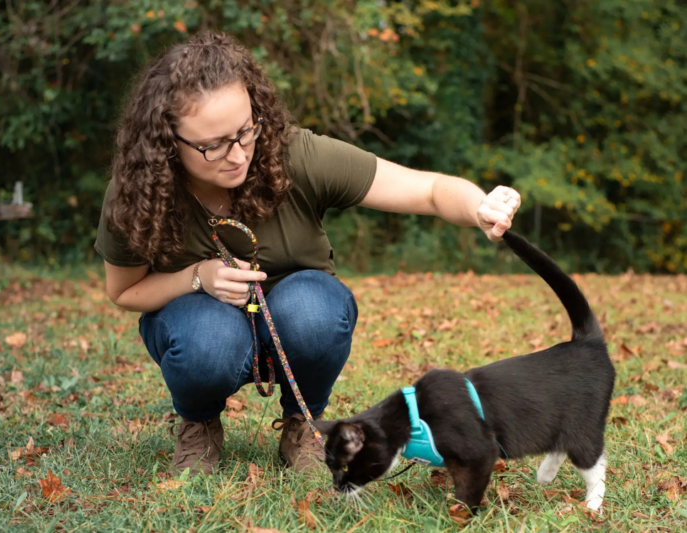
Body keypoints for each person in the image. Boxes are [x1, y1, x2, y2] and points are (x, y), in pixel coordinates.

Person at [94, 31, 521, 476]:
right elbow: (124, 291)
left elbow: (430, 190)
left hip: (296, 319)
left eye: (245, 131)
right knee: (207, 336)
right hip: (201, 328)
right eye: (214, 145)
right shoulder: (137, 193)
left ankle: (304, 422)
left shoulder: (294, 154)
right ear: (167, 141)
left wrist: (479, 206)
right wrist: (196, 277)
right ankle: (199, 423)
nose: (238, 155)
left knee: (315, 308)